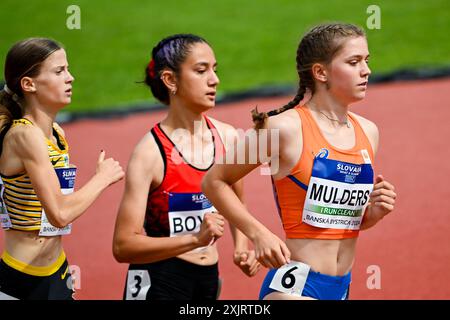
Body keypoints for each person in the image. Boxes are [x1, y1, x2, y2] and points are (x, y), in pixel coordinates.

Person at [203, 23, 397, 300]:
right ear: (320, 72)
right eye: (353, 62)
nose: (366, 71)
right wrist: (258, 234)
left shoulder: (368, 132)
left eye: (366, 61)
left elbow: (336, 220)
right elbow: (214, 180)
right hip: (295, 288)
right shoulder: (284, 129)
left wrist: (370, 215)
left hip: (340, 287)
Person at [112, 34, 260, 300]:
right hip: (159, 280)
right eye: (201, 70)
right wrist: (195, 240)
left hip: (207, 279)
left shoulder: (227, 138)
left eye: (215, 69)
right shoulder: (149, 153)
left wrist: (242, 246)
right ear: (170, 80)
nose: (214, 80)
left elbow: (236, 201)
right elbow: (123, 246)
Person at [0, 38, 124, 300]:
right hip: (22, 280)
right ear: (28, 84)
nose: (71, 78)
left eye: (67, 69)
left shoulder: (56, 133)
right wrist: (101, 178)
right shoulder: (24, 135)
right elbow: (59, 213)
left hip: (57, 272)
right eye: (59, 71)